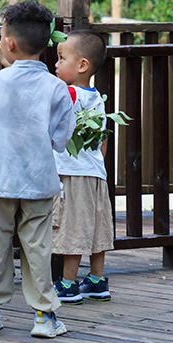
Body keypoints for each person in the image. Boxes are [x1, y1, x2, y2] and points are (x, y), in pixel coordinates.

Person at [0, 0, 75, 339]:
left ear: (9, 43)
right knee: (37, 248)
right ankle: (44, 316)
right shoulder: (56, 87)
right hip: (37, 181)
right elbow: (61, 139)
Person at [50, 31, 113, 303]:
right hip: (96, 174)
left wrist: (7, 62)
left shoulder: (68, 93)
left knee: (72, 227)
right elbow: (103, 141)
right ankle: (97, 280)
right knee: (96, 226)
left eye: (62, 58)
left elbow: (35, 90)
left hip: (71, 174)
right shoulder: (97, 98)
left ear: (82, 65)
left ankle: (67, 284)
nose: (56, 64)